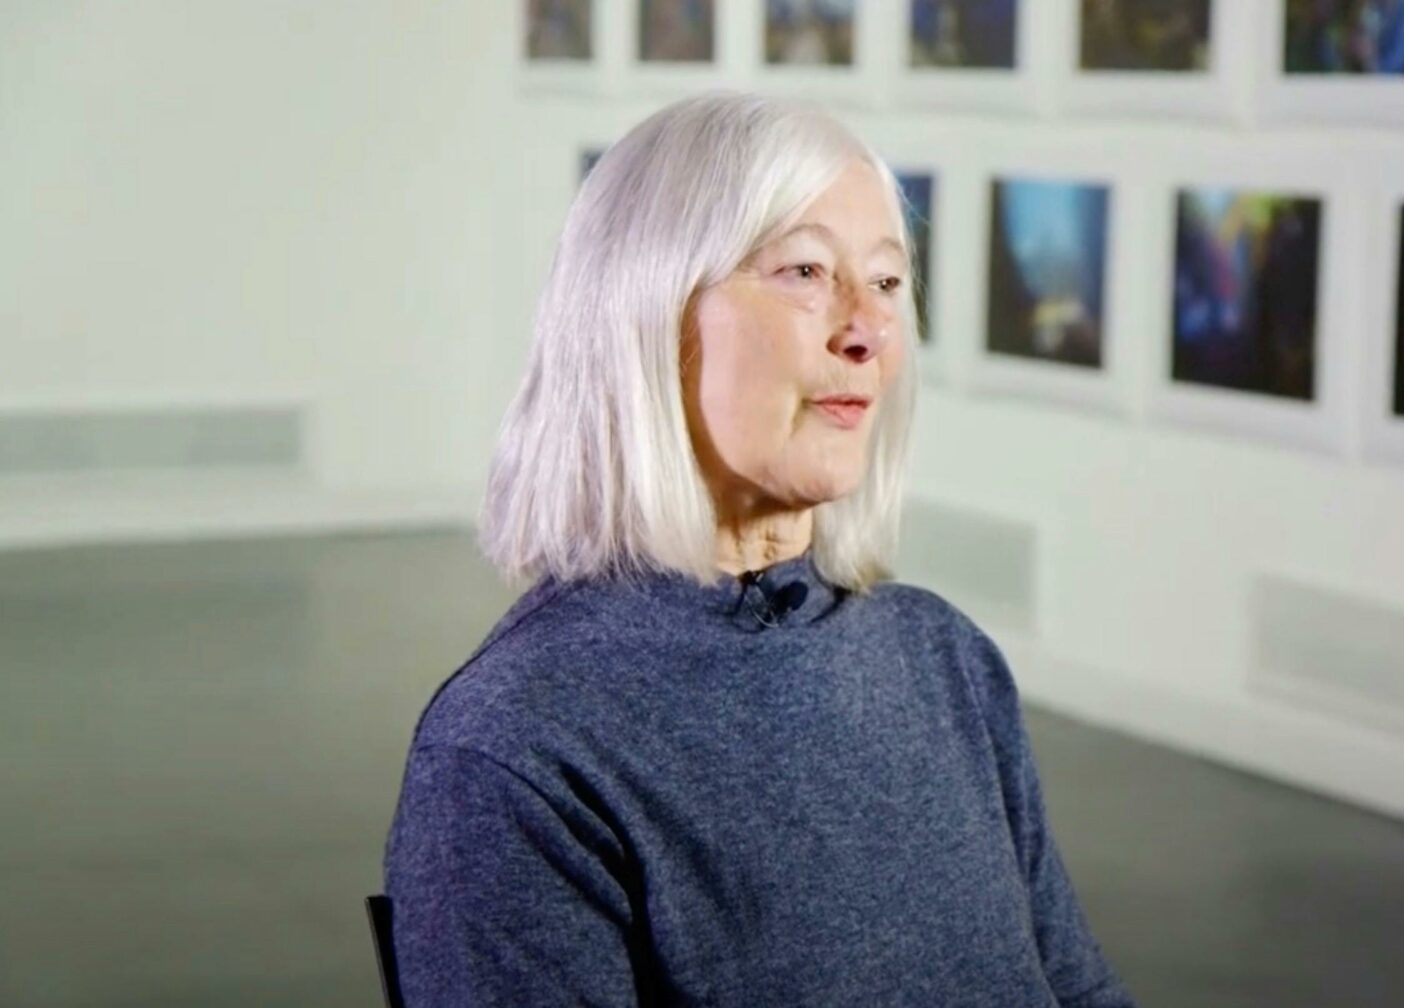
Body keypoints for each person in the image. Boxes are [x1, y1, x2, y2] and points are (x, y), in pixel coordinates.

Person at [380, 90, 1138, 1007]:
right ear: (651, 316)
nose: (866, 329)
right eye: (807, 272)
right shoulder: (515, 747)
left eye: (889, 281)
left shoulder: (946, 662)